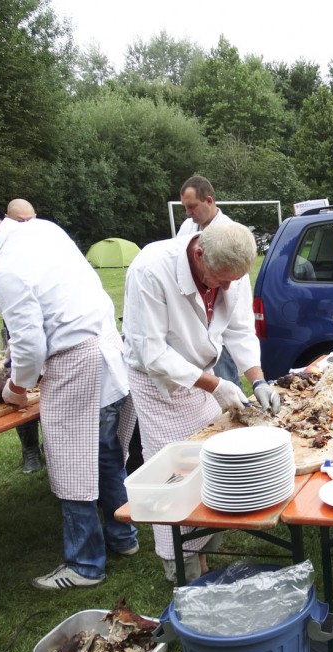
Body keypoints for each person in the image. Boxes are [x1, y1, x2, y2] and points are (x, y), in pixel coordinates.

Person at [0, 195, 139, 589]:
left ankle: (85, 565)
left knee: (71, 464)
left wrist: (15, 388)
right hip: (107, 349)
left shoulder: (4, 270)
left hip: (76, 361)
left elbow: (31, 343)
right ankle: (123, 537)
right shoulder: (44, 229)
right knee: (106, 454)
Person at [122, 221, 280, 583]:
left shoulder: (231, 270)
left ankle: (204, 554)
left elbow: (240, 330)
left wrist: (258, 380)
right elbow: (152, 351)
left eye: (233, 280)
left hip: (202, 377)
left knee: (213, 465)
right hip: (157, 383)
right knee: (172, 475)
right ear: (198, 253)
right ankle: (182, 569)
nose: (226, 287)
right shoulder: (151, 268)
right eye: (220, 279)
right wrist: (215, 385)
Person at [176, 176, 241, 387]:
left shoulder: (230, 232)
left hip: (219, 319)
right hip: (194, 317)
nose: (188, 213)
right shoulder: (187, 227)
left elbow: (236, 287)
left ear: (209, 201)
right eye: (185, 207)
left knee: (226, 378)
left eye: (192, 207)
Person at [0, 198, 43, 473]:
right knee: (21, 378)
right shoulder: (3, 251)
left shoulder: (45, 244)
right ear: (7, 220)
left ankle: (52, 445)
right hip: (19, 326)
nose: (26, 226)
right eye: (19, 221)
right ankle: (30, 448)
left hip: (53, 327)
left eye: (30, 220)